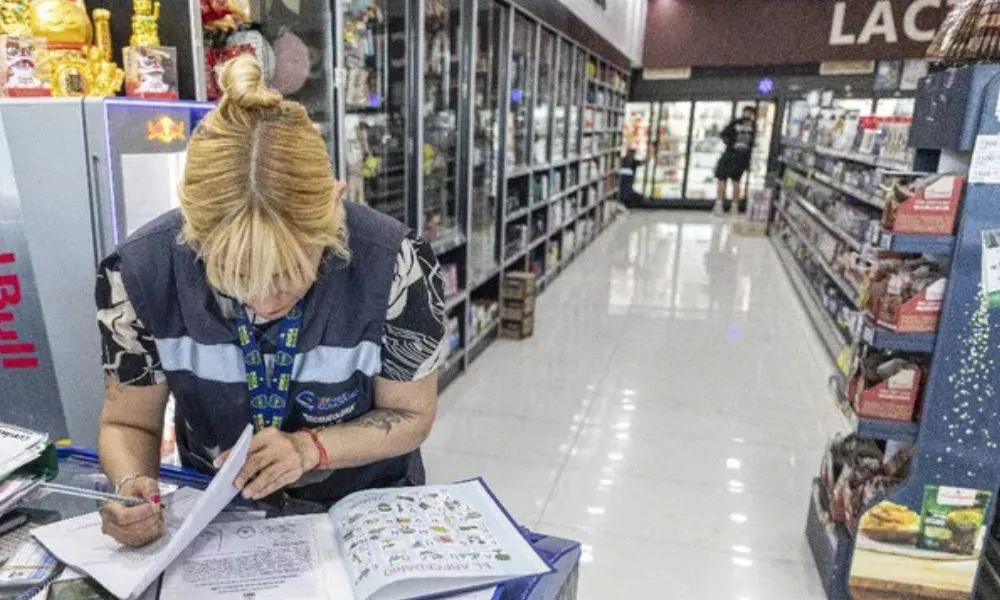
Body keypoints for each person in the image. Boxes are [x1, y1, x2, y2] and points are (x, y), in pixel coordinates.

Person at [95, 55, 447, 547]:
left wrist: (310, 450)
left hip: (362, 511)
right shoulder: (137, 272)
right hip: (219, 516)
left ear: (332, 208)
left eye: (288, 272)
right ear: (192, 234)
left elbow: (412, 415)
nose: (263, 300)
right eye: (235, 274)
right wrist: (133, 489)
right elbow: (128, 419)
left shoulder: (396, 266)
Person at [712, 106, 757, 215]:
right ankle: (734, 207)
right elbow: (752, 144)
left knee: (722, 179)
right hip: (742, 158)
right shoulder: (753, 126)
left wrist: (729, 144)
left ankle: (719, 205)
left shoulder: (735, 123)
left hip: (730, 156)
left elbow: (723, 135)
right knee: (736, 181)